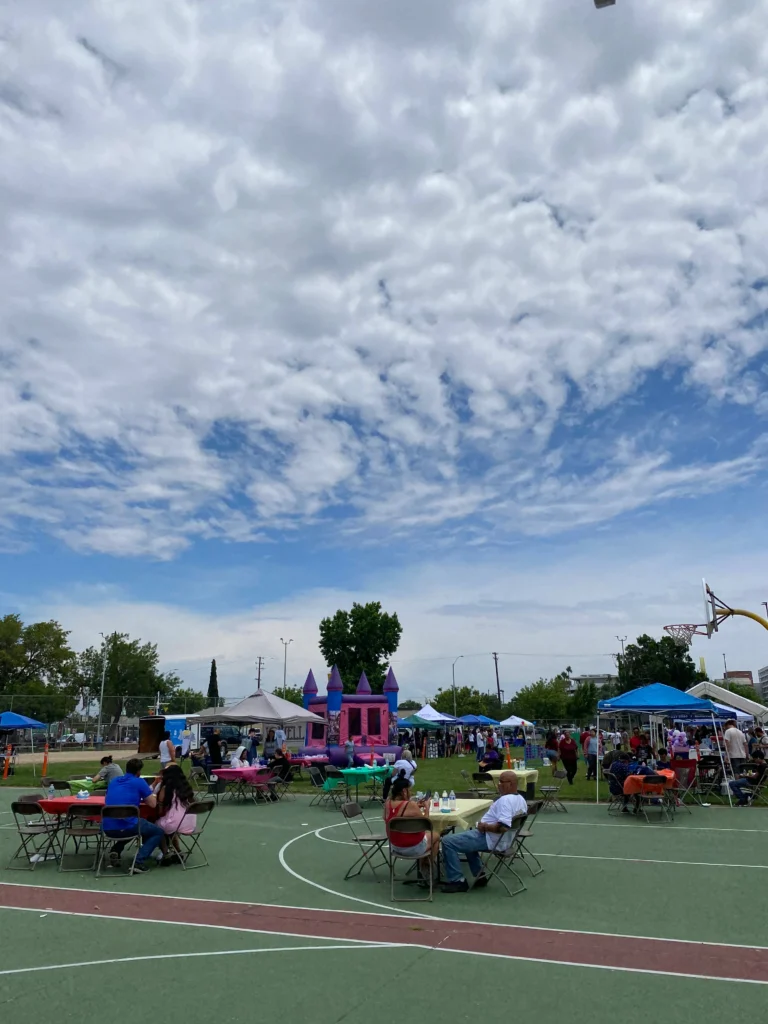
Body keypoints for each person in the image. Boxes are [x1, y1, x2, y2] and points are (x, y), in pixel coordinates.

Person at [440, 771, 527, 893]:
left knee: (447, 841)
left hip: (490, 838)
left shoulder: (505, 801)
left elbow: (503, 827)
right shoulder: (521, 800)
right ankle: (479, 875)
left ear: (511, 784)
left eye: (502, 782)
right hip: (506, 841)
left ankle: (457, 881)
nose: (498, 784)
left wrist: (485, 826)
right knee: (467, 842)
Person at [103, 758, 164, 873]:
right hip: (128, 824)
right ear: (139, 772)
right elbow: (152, 804)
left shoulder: (114, 781)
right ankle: (139, 861)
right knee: (157, 832)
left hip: (108, 826)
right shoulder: (139, 782)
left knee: (131, 827)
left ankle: (116, 849)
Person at [383, 773, 437, 880]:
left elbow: (388, 818)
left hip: (395, 847)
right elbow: (426, 823)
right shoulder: (410, 805)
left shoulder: (387, 804)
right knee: (436, 836)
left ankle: (424, 865)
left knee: (426, 836)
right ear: (404, 791)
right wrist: (426, 807)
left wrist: (415, 806)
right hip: (414, 848)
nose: (410, 793)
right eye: (409, 790)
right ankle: (425, 864)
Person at [154, 764, 197, 863]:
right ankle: (177, 851)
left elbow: (160, 808)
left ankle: (165, 852)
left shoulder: (165, 788)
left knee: (156, 827)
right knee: (170, 826)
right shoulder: (186, 787)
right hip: (189, 823)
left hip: (175, 823)